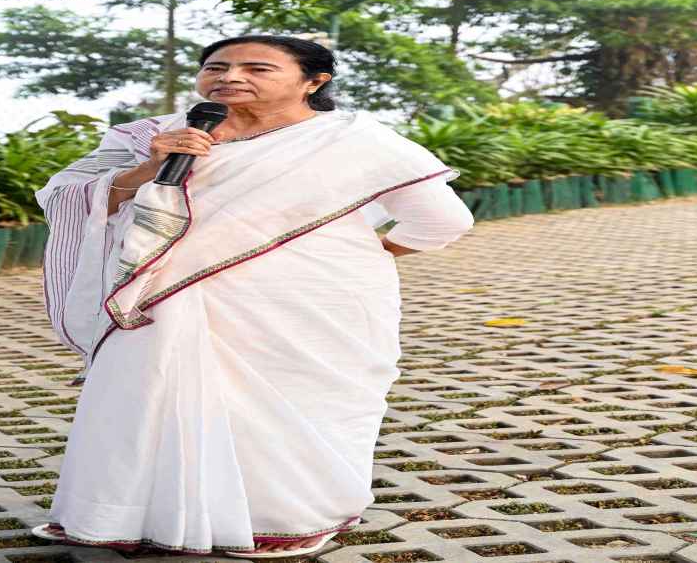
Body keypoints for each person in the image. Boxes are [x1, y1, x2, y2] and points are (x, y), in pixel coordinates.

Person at [31, 35, 474, 557]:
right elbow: (68, 200)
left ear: (315, 81)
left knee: (288, 405)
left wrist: (362, 253)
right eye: (216, 66)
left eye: (257, 68)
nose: (231, 77)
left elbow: (443, 219)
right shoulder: (155, 135)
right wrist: (151, 168)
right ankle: (128, 515)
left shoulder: (356, 142)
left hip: (306, 302)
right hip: (164, 298)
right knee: (146, 396)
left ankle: (282, 519)